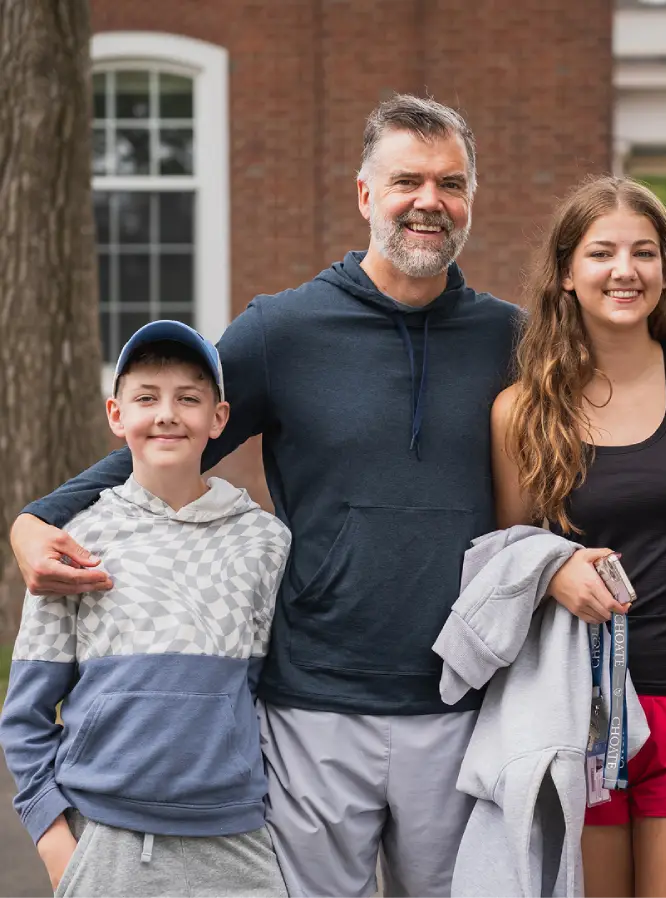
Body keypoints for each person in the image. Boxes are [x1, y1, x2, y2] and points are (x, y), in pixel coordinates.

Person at [8, 95, 521, 898]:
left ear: (471, 198)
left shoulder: (511, 338)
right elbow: (170, 436)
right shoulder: (284, 330)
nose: (430, 202)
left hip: (461, 703)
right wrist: (37, 519)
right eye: (408, 182)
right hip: (314, 706)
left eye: (450, 184)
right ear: (365, 194)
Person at [491, 175, 666, 898]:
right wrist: (552, 571)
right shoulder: (521, 412)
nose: (624, 270)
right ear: (567, 273)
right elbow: (508, 559)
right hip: (581, 707)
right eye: (602, 253)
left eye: (644, 252)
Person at [0, 321, 292, 897]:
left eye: (188, 398)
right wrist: (58, 848)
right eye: (146, 398)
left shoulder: (265, 542)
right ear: (116, 414)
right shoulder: (76, 540)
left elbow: (266, 698)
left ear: (219, 418)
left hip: (236, 842)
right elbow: (25, 715)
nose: (166, 414)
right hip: (104, 839)